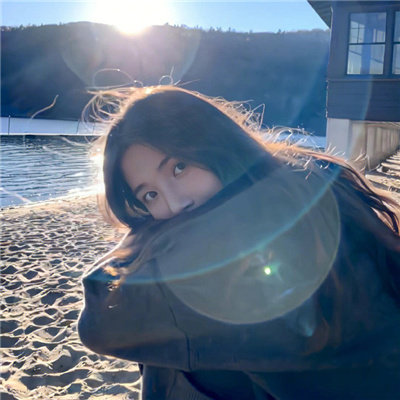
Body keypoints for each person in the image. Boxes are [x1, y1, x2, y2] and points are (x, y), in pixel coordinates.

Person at [78, 86, 400, 400]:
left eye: (179, 167)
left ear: (216, 144)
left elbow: (101, 320)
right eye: (150, 195)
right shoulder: (303, 178)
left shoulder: (255, 232)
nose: (175, 204)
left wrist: (144, 237)